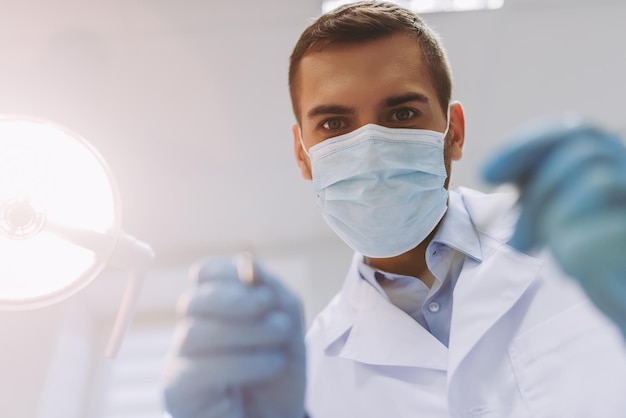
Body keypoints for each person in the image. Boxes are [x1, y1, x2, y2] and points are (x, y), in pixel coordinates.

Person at [162, 2, 626, 417]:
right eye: (334, 124)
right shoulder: (306, 384)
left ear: (454, 131)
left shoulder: (587, 249)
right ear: (303, 154)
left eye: (402, 114)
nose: (369, 146)